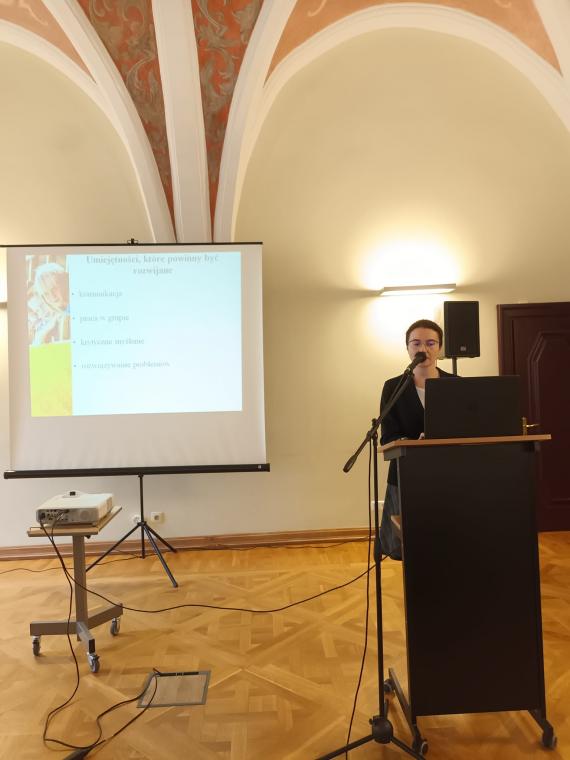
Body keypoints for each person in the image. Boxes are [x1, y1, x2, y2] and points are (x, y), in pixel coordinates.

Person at [379, 319, 455, 559]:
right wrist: (412, 442)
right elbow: (388, 436)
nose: (423, 349)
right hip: (406, 473)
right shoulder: (393, 387)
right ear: (408, 348)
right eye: (416, 343)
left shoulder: (456, 384)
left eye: (431, 343)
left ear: (440, 348)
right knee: (407, 547)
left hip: (448, 474)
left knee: (447, 541)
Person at [28, 262, 70, 345]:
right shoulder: (52, 321)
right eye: (46, 293)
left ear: (63, 282)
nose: (52, 296)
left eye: (53, 288)